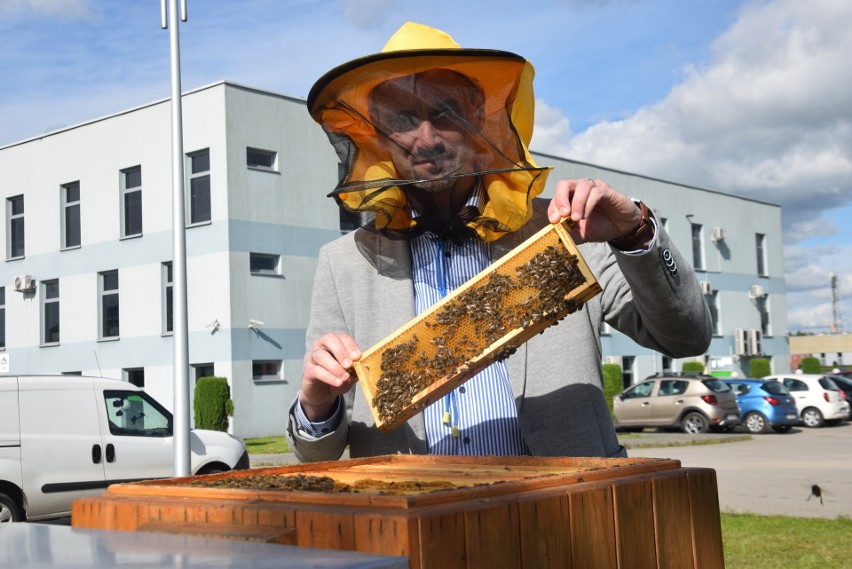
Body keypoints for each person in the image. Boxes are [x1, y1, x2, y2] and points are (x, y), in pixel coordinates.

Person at [286, 22, 712, 462]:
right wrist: (317, 403)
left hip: (566, 511)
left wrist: (635, 232)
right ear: (377, 136)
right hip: (415, 518)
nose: (426, 138)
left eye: (444, 114)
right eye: (403, 120)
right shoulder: (344, 263)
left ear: (476, 120)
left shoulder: (568, 225)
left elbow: (686, 337)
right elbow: (315, 454)